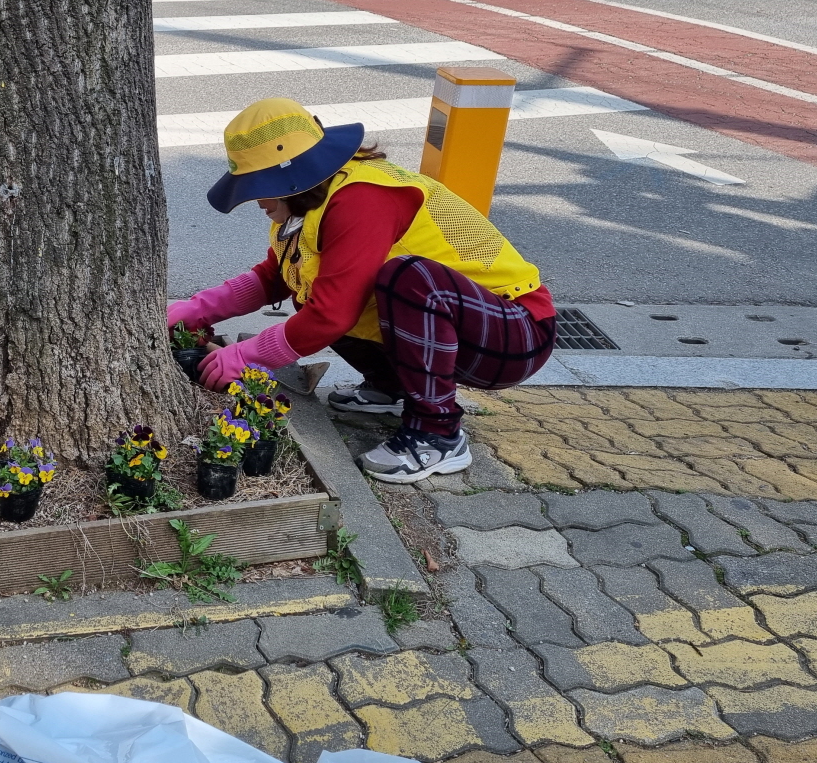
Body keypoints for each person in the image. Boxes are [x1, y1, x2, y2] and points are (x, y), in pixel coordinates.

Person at [168, 98, 556, 484]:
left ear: (291, 179)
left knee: (406, 278)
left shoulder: (362, 198)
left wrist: (246, 356)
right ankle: (391, 388)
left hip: (515, 334)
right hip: (467, 330)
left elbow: (331, 316)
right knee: (315, 290)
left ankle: (438, 435)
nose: (257, 202)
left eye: (260, 188)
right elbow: (276, 276)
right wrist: (194, 311)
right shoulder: (311, 206)